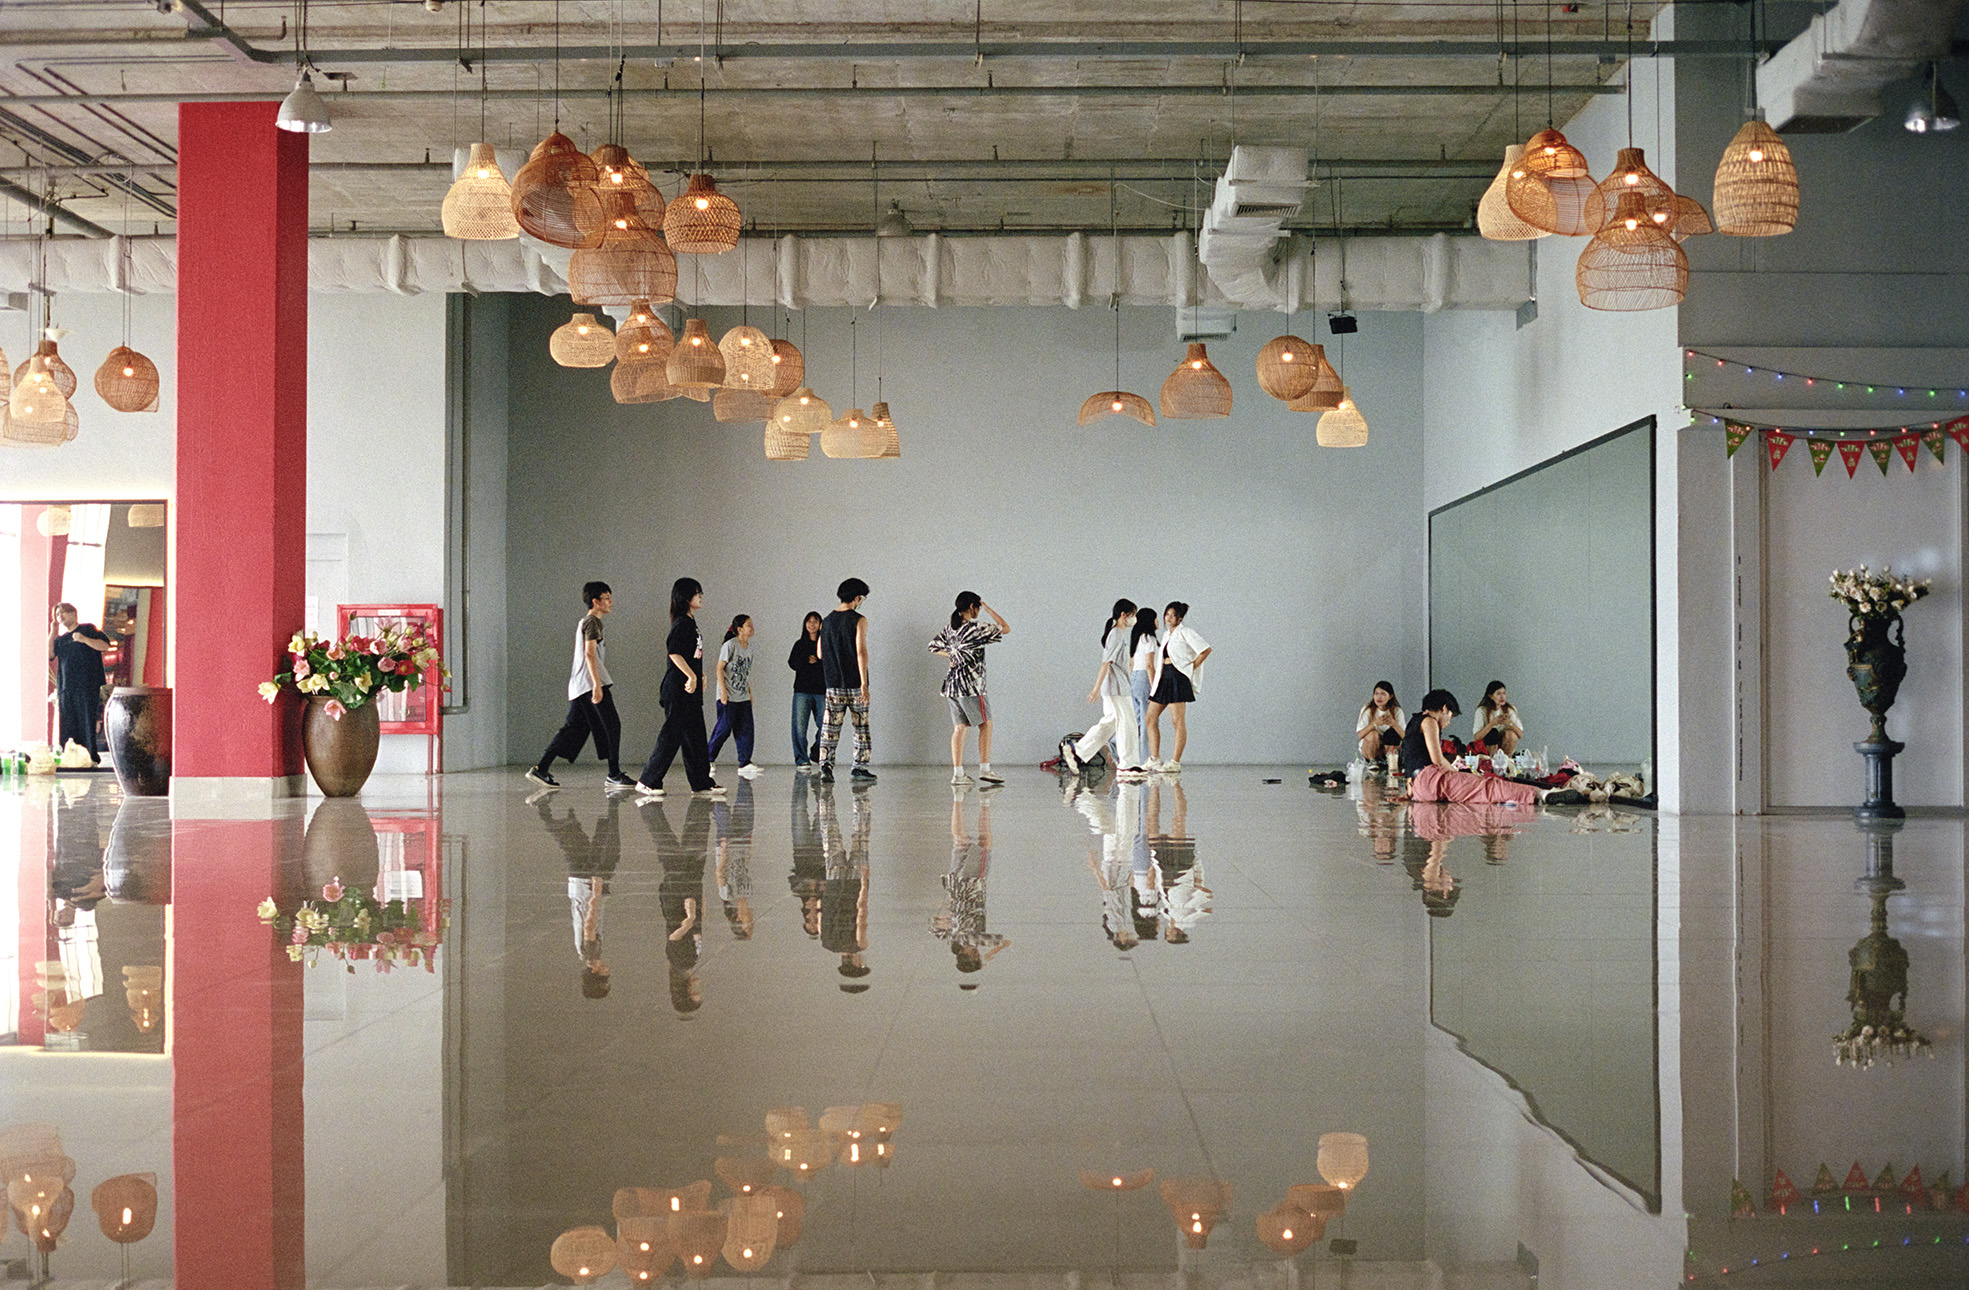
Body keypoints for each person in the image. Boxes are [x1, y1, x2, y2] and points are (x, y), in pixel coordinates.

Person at [528, 581, 635, 791]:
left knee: (572, 728)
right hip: (589, 683)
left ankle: (541, 768)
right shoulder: (592, 622)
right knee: (612, 725)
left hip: (581, 684)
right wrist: (597, 684)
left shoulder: (588, 622)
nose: (611, 602)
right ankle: (614, 774)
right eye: (606, 598)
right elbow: (589, 653)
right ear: (595, 601)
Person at [635, 578, 723, 800]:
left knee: (695, 737)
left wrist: (699, 674)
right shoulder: (682, 623)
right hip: (678, 690)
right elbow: (673, 652)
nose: (700, 596)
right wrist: (691, 675)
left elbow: (690, 654)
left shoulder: (691, 622)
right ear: (685, 597)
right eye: (696, 592)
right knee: (671, 736)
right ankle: (648, 781)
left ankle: (701, 782)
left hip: (690, 691)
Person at [1399, 689, 1561, 807]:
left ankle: (1537, 793)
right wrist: (1457, 774)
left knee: (1475, 792)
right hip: (1429, 780)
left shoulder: (1413, 722)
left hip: (1418, 788)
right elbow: (1437, 759)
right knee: (1487, 786)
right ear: (1444, 709)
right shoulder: (1430, 721)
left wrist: (1411, 792)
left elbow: (1411, 759)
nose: (1448, 722)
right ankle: (1541, 794)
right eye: (1450, 716)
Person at [929, 591, 1010, 786]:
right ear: (972, 607)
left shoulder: (950, 628)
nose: (979, 611)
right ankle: (985, 768)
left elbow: (933, 646)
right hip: (972, 686)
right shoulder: (977, 628)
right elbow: (1005, 628)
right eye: (979, 608)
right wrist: (989, 609)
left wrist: (952, 656)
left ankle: (958, 774)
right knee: (986, 724)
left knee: (959, 728)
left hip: (952, 686)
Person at [1060, 600, 1147, 780]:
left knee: (1110, 723)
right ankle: (1127, 765)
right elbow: (1105, 663)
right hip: (1117, 688)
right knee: (1128, 724)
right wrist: (1096, 689)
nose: (1134, 619)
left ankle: (1077, 749)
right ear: (1124, 615)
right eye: (1133, 615)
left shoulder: (1119, 635)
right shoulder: (1115, 635)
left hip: (1118, 686)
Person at [933, 791, 1008, 985]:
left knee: (985, 843)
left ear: (971, 956)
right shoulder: (951, 938)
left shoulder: (971, 940)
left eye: (976, 957)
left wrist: (988, 958)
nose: (978, 954)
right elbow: (936, 926)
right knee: (959, 841)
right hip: (954, 886)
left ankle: (985, 803)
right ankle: (957, 798)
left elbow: (1002, 941)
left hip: (972, 885)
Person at [816, 578, 876, 784]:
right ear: (857, 598)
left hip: (833, 682)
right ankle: (859, 768)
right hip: (855, 683)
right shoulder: (859, 620)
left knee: (830, 727)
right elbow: (861, 652)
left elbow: (820, 653)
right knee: (860, 727)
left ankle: (825, 766)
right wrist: (864, 685)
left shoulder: (826, 621)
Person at [1145, 601, 1211, 773]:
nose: (1169, 618)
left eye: (1173, 615)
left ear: (1180, 618)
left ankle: (1175, 762)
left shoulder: (1186, 632)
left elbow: (1205, 650)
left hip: (1177, 677)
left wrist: (1190, 668)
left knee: (1177, 720)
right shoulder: (1166, 635)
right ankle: (1154, 759)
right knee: (1150, 718)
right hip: (1163, 676)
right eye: (1167, 614)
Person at [49, 604, 111, 764]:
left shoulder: (87, 629)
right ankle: (70, 758)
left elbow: (104, 645)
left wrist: (84, 639)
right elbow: (50, 654)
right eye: (57, 614)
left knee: (86, 721)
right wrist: (53, 631)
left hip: (87, 685)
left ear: (73, 613)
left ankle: (90, 757)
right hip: (66, 687)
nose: (60, 616)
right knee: (67, 724)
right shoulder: (61, 639)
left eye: (63, 612)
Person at [707, 614, 762, 779]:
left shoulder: (749, 648)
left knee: (746, 730)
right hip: (728, 696)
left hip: (742, 696)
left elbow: (744, 673)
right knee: (724, 728)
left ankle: (745, 763)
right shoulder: (730, 645)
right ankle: (707, 759)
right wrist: (723, 691)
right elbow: (719, 668)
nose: (752, 627)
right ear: (740, 629)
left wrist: (749, 692)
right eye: (748, 625)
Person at [788, 611, 827, 769]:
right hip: (802, 690)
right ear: (805, 624)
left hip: (822, 690)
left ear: (820, 624)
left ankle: (816, 752)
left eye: (815, 621)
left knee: (825, 724)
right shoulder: (800, 644)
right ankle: (801, 759)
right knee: (799, 726)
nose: (812, 624)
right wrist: (805, 660)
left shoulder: (825, 644)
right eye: (809, 621)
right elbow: (792, 663)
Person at [1128, 607, 1161, 755]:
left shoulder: (1137, 638)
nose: (1158, 621)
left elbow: (1132, 663)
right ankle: (1146, 758)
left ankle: (1115, 747)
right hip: (1145, 679)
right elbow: (1149, 665)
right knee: (1150, 721)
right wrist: (1154, 689)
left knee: (1137, 721)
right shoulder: (1149, 639)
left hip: (1135, 678)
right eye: (1156, 618)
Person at [1356, 681, 1406, 775]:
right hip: (1371, 748)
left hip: (1388, 749)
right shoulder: (1367, 710)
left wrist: (1394, 724)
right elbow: (1360, 735)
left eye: (1383, 694)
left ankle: (1390, 761)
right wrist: (1374, 724)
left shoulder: (1397, 711)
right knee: (1373, 734)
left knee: (1391, 734)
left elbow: (1404, 737)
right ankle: (1372, 761)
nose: (1379, 697)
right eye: (1376, 694)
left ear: (1390, 696)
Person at [1471, 681, 1524, 757]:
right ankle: (1491, 759)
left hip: (1504, 743)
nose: (1502, 697)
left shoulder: (1510, 710)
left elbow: (1520, 734)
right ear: (1491, 696)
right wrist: (1492, 723)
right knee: (1493, 732)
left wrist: (1510, 723)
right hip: (1488, 744)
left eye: (1504, 693)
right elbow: (1477, 737)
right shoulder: (1481, 711)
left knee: (1511, 734)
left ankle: (1506, 759)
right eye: (1498, 694)